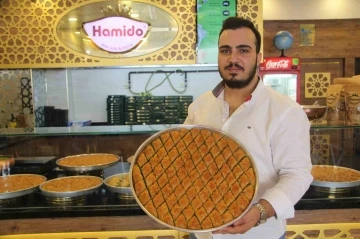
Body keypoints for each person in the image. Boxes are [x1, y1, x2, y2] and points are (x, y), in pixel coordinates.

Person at [184, 17, 313, 239]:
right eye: (225, 51)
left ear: (258, 57)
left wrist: (260, 211)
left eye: (243, 50)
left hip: (259, 234)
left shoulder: (286, 111)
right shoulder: (200, 106)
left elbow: (297, 174)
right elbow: (186, 159)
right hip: (202, 231)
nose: (233, 59)